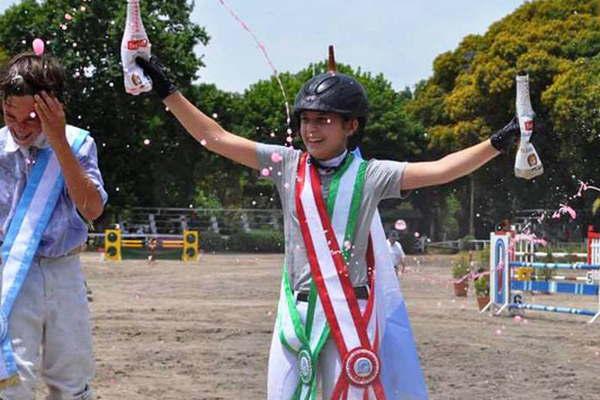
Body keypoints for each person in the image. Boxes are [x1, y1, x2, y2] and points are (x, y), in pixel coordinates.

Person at [135, 52, 520, 399]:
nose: (311, 130)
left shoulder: (372, 176)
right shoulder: (286, 165)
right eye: (305, 120)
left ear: (351, 126)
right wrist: (166, 89)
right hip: (295, 313)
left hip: (350, 313)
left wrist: (499, 141)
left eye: (323, 120)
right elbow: (213, 137)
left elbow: (441, 170)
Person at [0, 51, 107, 399]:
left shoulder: (78, 143)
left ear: (54, 108)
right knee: (12, 379)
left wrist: (58, 140)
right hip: (12, 272)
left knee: (72, 379)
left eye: (32, 118)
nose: (19, 127)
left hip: (64, 272)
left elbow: (91, 209)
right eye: (9, 115)